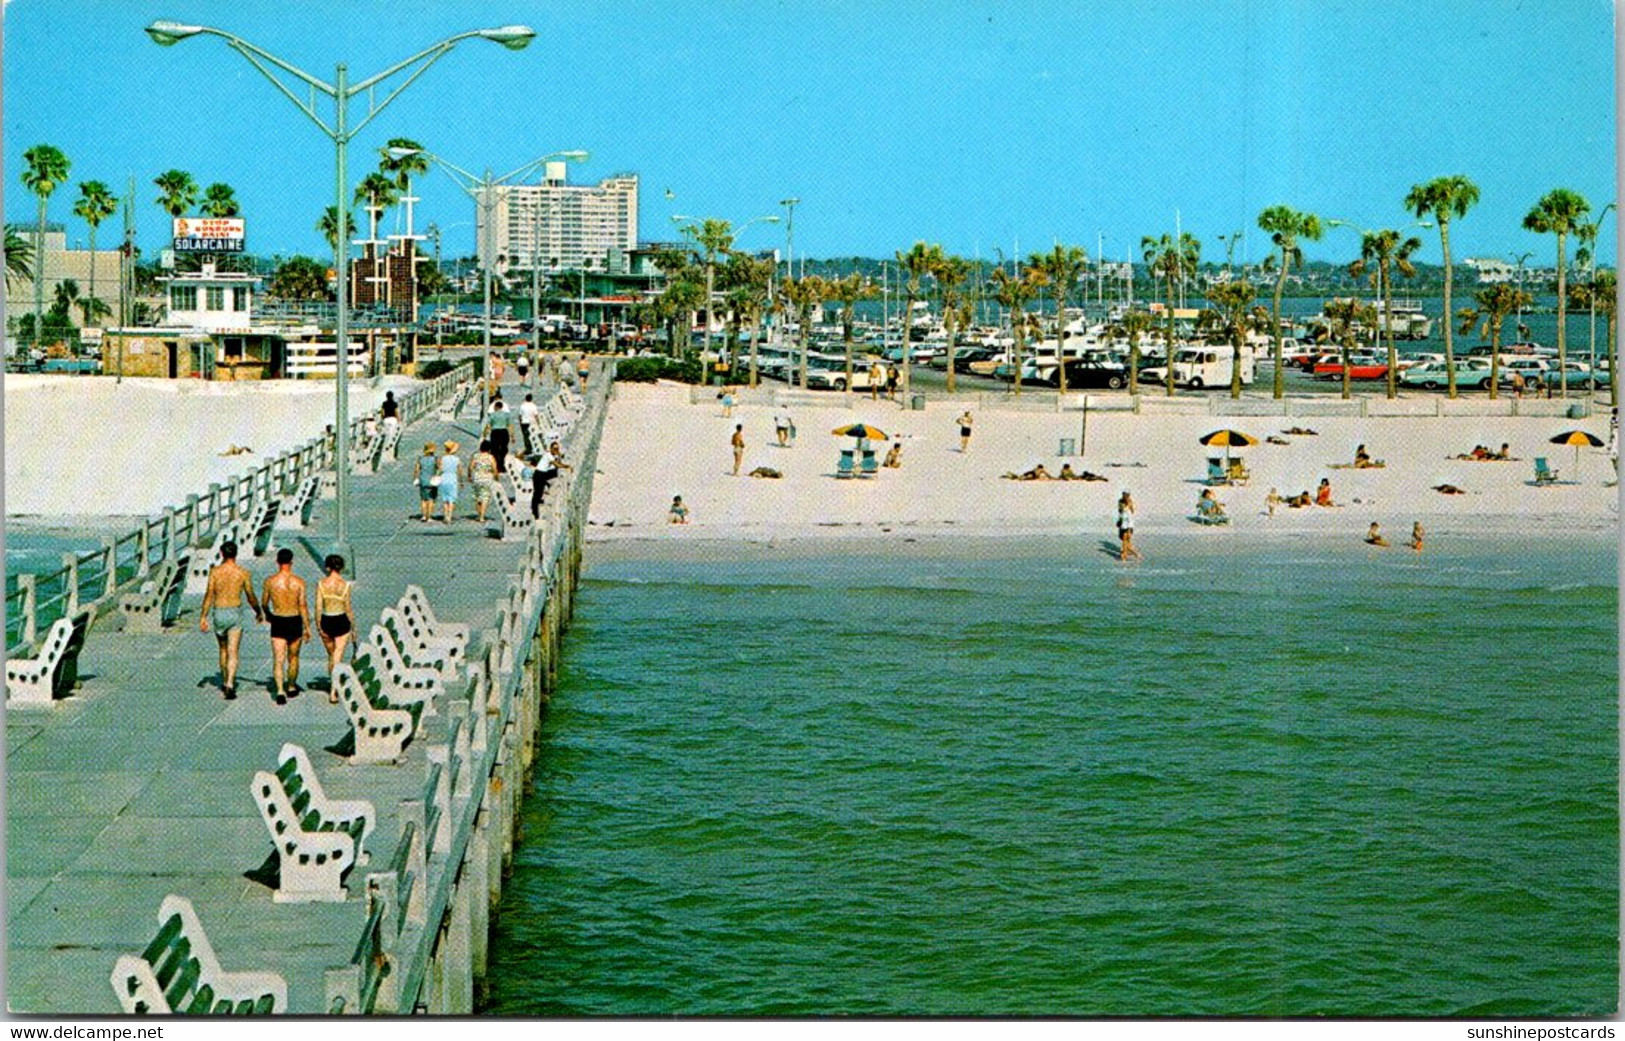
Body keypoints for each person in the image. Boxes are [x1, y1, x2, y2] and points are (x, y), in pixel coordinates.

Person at [199, 539, 262, 700]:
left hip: (219, 612)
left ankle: (225, 679)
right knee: (233, 651)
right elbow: (250, 596)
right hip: (235, 612)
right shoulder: (243, 573)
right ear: (236, 554)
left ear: (221, 554)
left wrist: (203, 616)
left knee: (223, 650)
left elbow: (209, 595)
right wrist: (258, 611)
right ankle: (230, 683)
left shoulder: (215, 572)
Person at [261, 547, 309, 704]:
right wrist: (307, 626)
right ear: (292, 562)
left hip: (279, 619)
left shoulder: (270, 582)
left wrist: (268, 616)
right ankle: (292, 686)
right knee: (293, 657)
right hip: (294, 619)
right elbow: (303, 605)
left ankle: (280, 690)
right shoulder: (299, 582)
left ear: (277, 562)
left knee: (279, 659)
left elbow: (264, 603)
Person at [315, 554, 355, 704]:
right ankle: (334, 689)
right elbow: (348, 608)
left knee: (331, 655)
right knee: (337, 655)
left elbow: (318, 607)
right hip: (341, 620)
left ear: (327, 567)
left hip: (327, 619)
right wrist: (354, 628)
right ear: (342, 567)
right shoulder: (345, 585)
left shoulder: (321, 584)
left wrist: (318, 625)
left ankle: (333, 683)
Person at [469, 439, 499, 524]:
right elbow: (494, 469)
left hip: (477, 477)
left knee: (478, 496)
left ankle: (479, 514)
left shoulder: (476, 456)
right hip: (487, 478)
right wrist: (496, 478)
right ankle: (482, 516)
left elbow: (471, 467)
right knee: (485, 497)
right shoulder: (490, 457)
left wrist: (469, 476)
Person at [485, 395, 513, 474]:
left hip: (495, 433)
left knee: (495, 450)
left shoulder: (493, 415)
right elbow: (509, 425)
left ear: (496, 407)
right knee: (503, 449)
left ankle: (496, 465)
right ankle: (502, 465)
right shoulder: (506, 415)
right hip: (504, 432)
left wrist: (485, 434)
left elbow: (488, 426)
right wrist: (512, 436)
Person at [437, 440, 462, 522]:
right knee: (451, 499)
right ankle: (449, 516)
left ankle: (445, 515)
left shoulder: (442, 458)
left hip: (444, 478)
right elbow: (460, 471)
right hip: (453, 478)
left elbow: (439, 469)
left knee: (445, 499)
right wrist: (461, 481)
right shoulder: (457, 459)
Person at [413, 442, 438, 522]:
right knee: (431, 499)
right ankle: (429, 516)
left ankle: (424, 515)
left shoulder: (420, 459)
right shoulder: (435, 459)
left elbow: (416, 470)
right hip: (432, 480)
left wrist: (416, 478)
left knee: (423, 499)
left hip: (423, 480)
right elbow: (438, 468)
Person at [1116, 492, 1142, 561]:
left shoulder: (1128, 502)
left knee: (1126, 540)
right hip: (1125, 522)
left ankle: (1127, 554)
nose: (1126, 497)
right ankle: (1128, 553)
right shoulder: (1122, 502)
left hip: (1128, 523)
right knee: (1125, 540)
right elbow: (1121, 512)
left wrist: (1128, 506)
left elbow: (1130, 512)